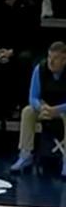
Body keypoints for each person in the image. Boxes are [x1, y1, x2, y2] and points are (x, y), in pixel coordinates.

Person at [11, 42, 66, 175]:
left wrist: (57, 109)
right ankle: (26, 154)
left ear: (64, 60)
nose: (50, 62)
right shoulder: (40, 69)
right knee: (28, 111)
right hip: (46, 109)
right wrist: (41, 107)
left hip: (63, 110)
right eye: (49, 57)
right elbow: (33, 97)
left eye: (55, 58)